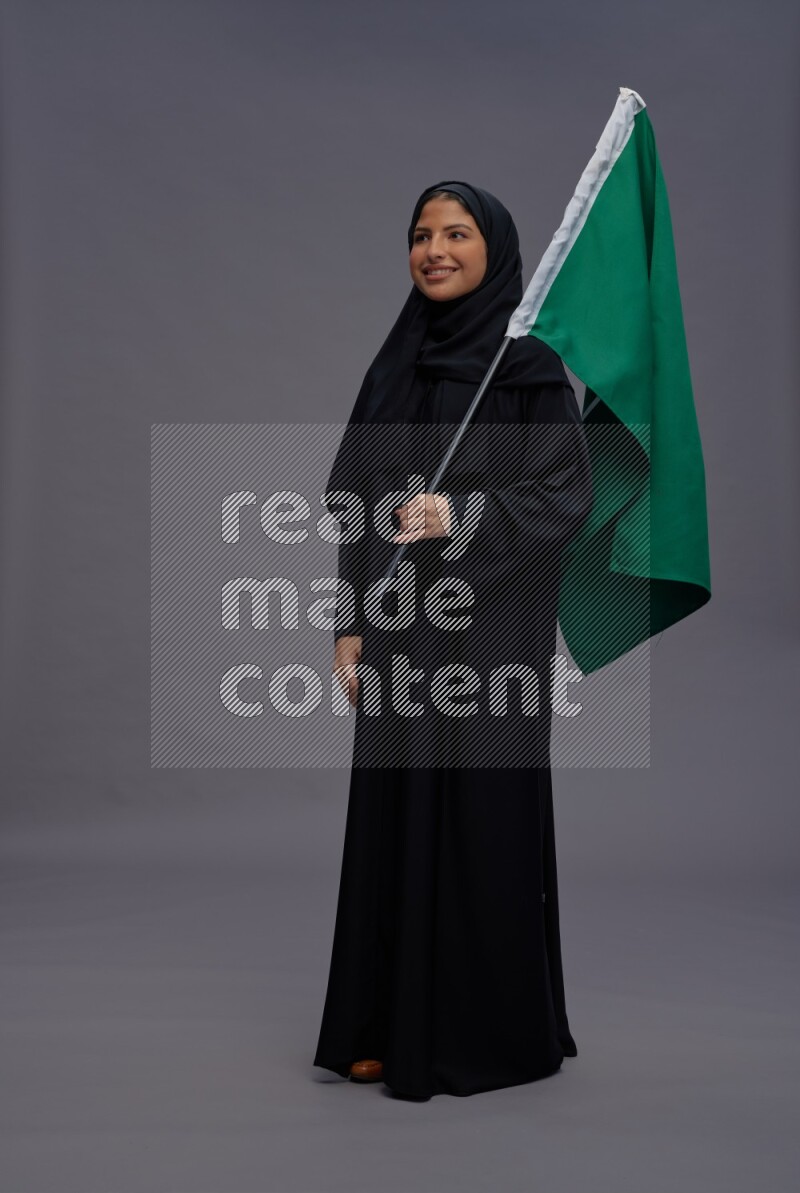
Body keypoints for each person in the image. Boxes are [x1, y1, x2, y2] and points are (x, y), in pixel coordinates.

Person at [313, 180, 594, 1100]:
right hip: (400, 639)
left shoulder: (532, 367)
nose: (434, 249)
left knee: (479, 822)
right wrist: (350, 624)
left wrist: (461, 512)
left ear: (496, 249)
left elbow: (564, 497)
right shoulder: (395, 365)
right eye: (421, 235)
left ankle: (483, 1033)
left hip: (491, 646)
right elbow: (357, 505)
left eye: (457, 233)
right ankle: (379, 1024)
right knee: (393, 817)